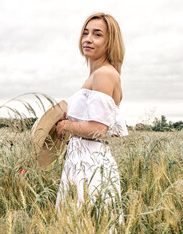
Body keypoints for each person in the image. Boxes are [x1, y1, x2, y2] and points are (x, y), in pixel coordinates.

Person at [55, 13, 128, 213]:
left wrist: (66, 126)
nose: (88, 39)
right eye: (85, 33)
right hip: (82, 159)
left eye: (97, 34)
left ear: (110, 41)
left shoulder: (103, 74)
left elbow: (99, 128)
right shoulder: (98, 74)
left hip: (89, 164)